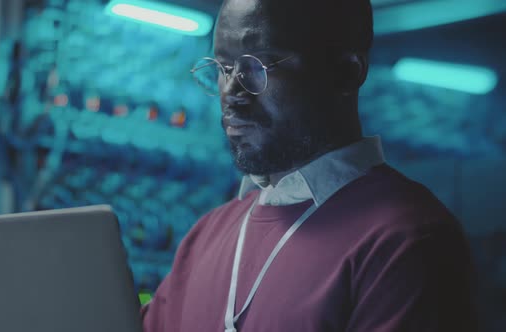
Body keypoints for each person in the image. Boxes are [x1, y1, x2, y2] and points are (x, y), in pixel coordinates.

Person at [142, 0, 478, 330]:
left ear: (346, 73)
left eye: (260, 65)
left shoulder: (406, 239)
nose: (232, 92)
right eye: (223, 68)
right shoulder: (205, 236)